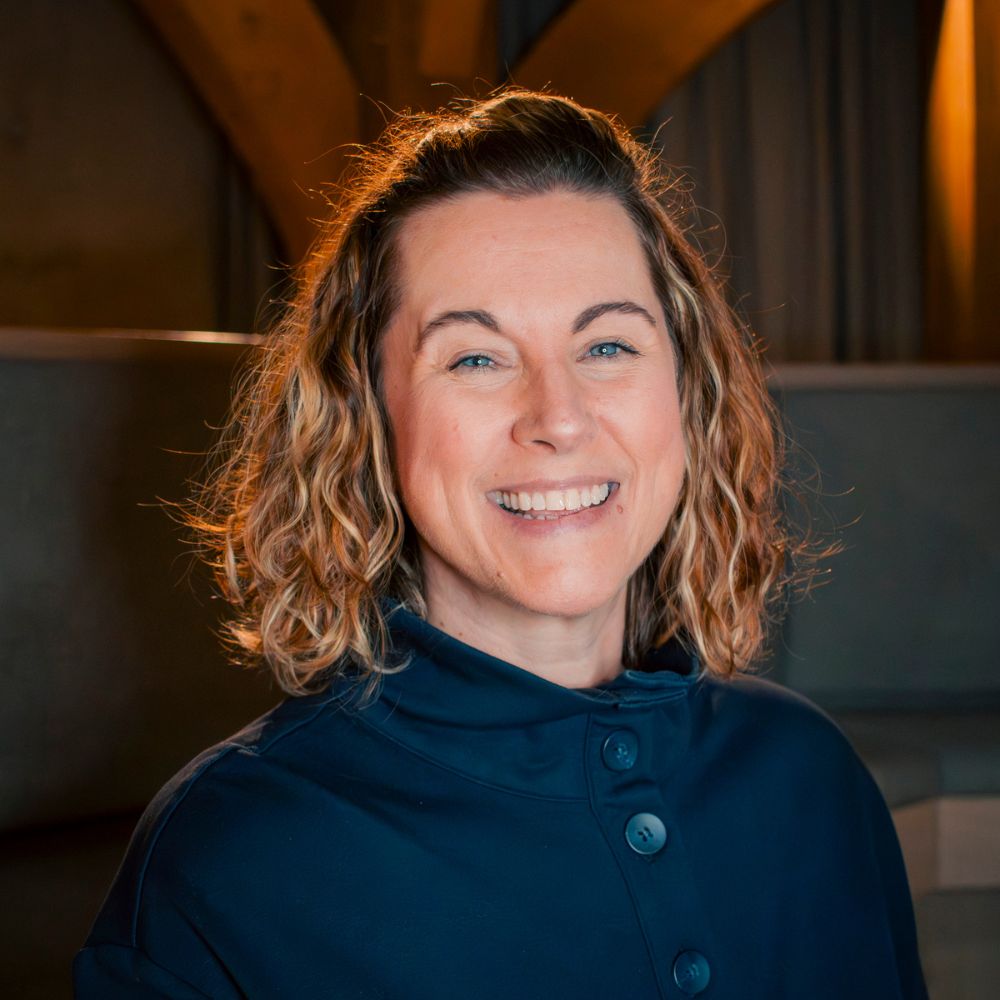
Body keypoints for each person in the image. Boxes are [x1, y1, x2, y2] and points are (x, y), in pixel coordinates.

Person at [74, 90, 927, 998]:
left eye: (606, 346)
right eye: (476, 358)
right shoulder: (228, 857)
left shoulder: (811, 778)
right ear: (368, 418)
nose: (557, 418)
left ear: (689, 390)